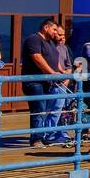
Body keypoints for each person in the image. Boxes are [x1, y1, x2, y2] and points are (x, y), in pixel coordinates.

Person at [22, 18, 63, 148]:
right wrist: (52, 73)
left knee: (47, 110)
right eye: (54, 29)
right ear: (46, 27)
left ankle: (43, 136)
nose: (56, 32)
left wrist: (62, 72)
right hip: (35, 81)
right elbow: (37, 58)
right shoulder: (34, 39)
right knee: (38, 109)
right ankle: (36, 139)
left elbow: (54, 59)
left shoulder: (50, 43)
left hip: (48, 83)